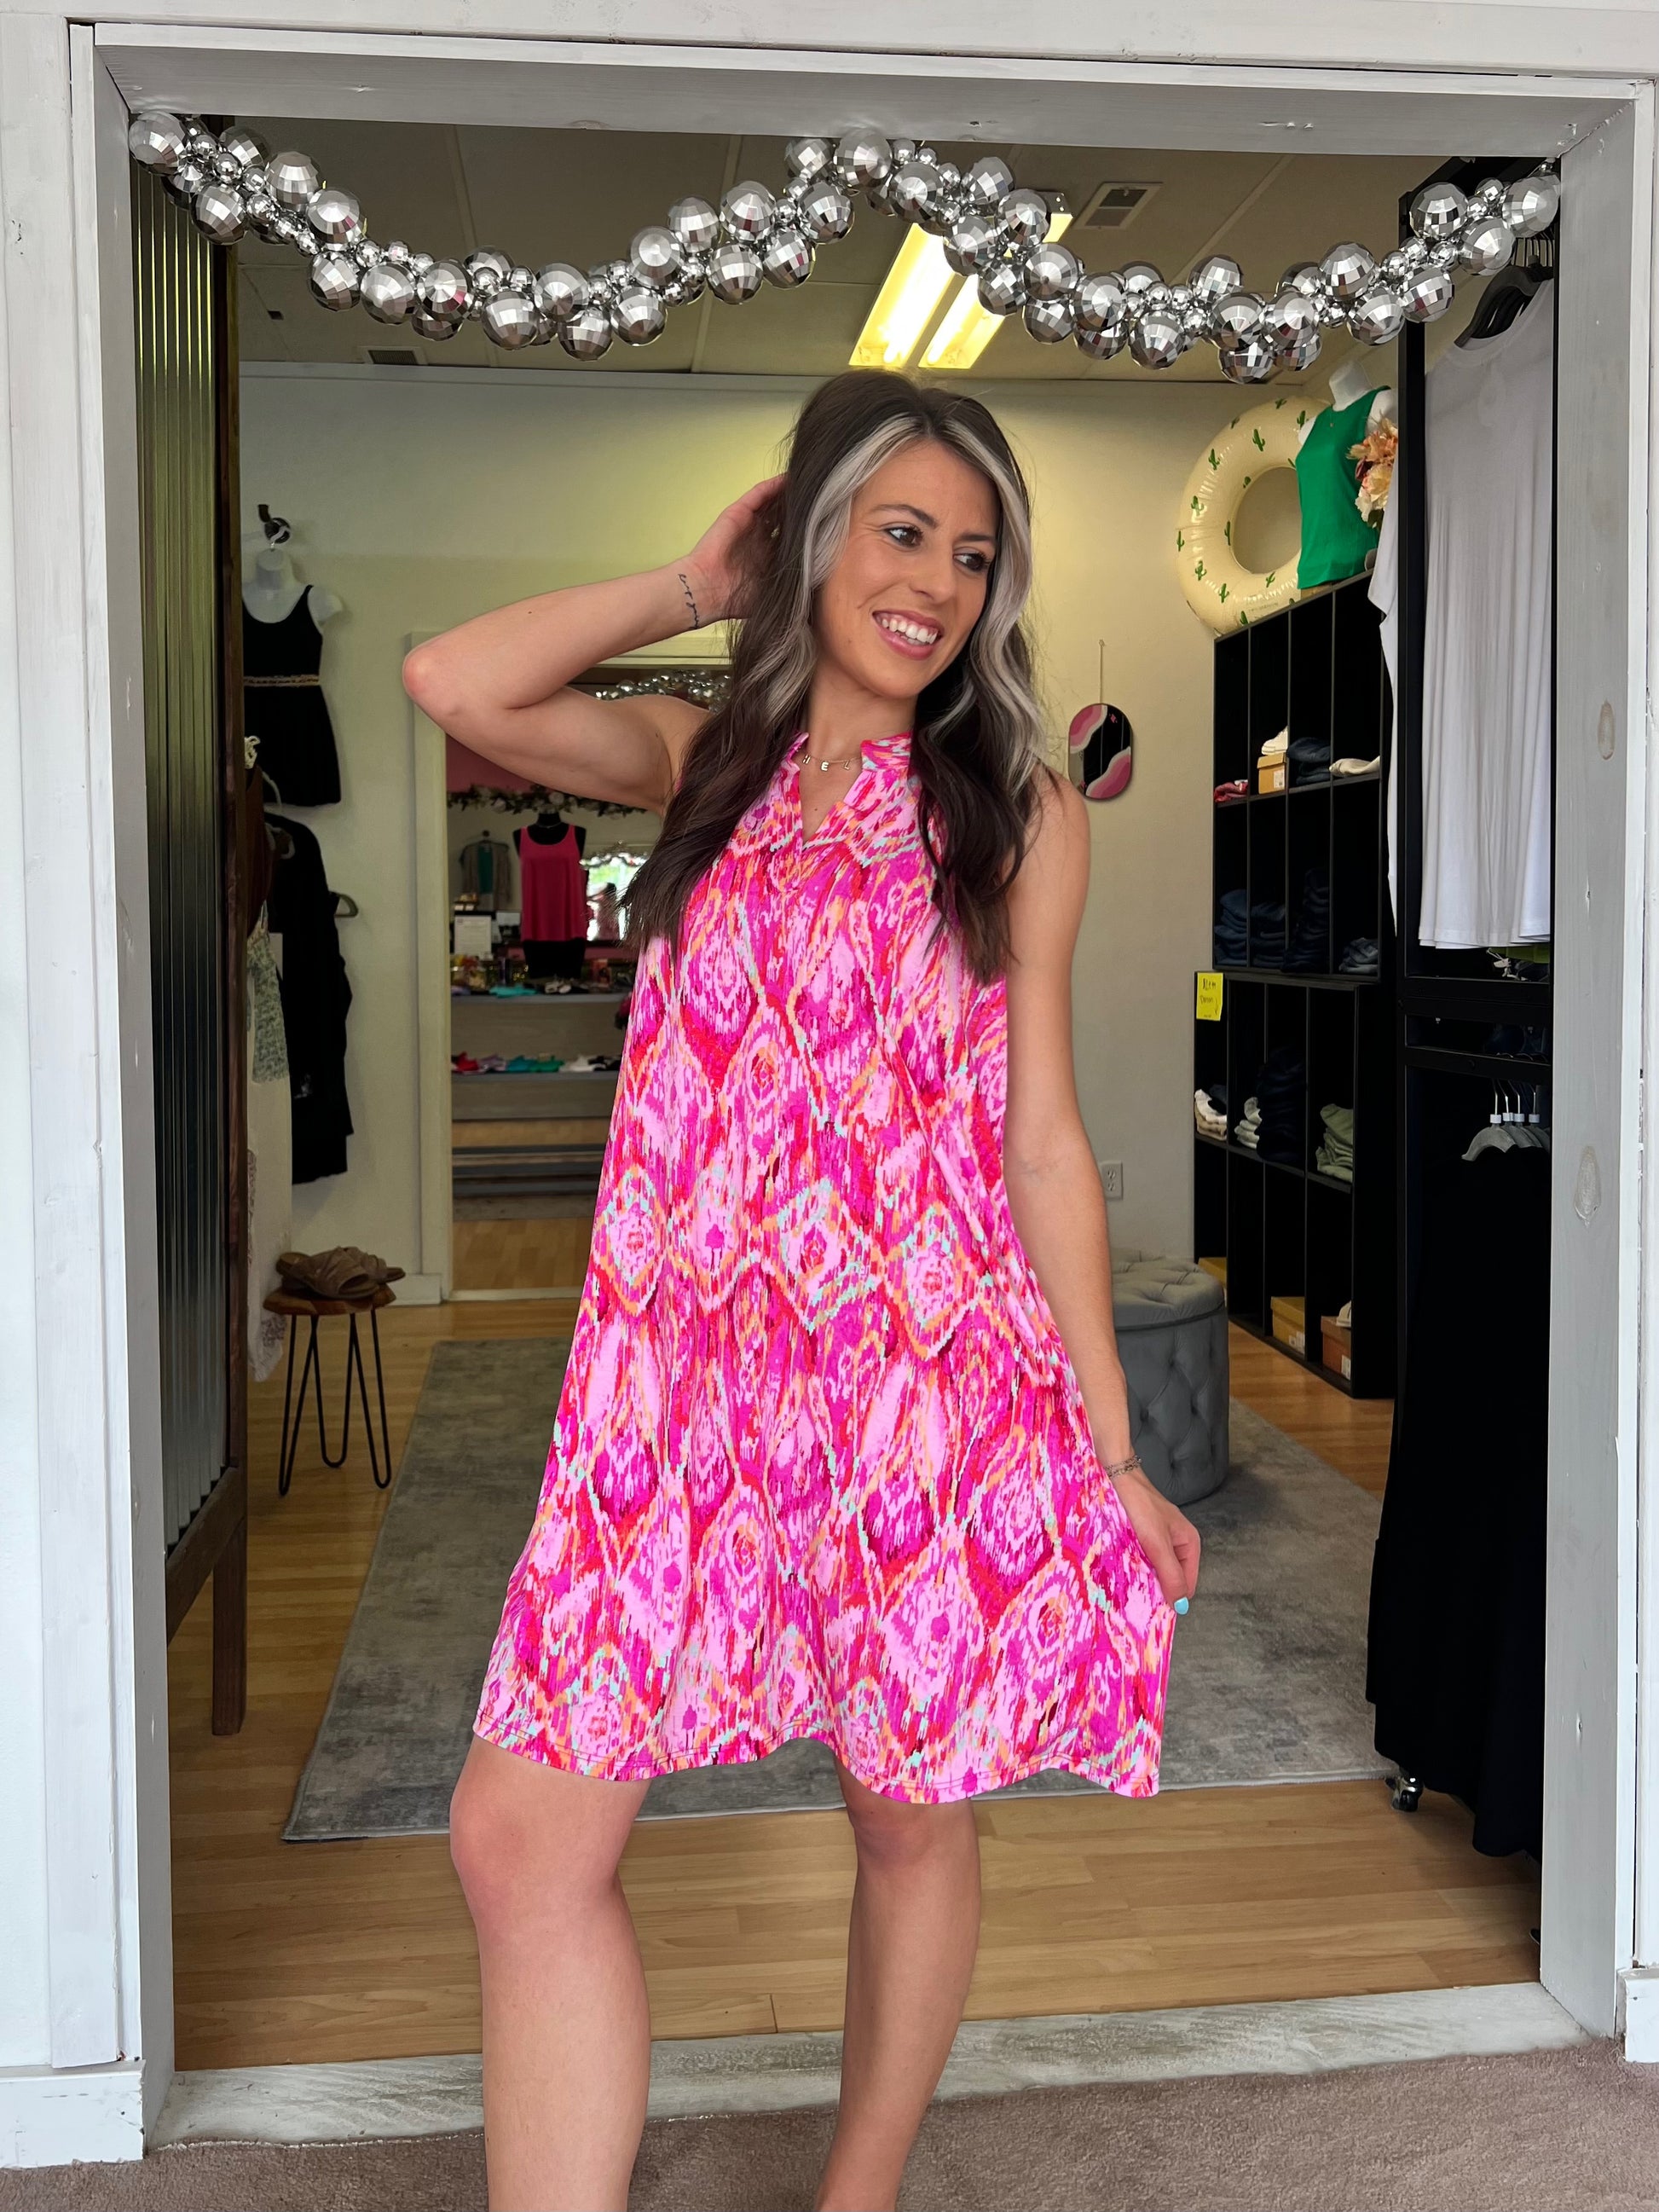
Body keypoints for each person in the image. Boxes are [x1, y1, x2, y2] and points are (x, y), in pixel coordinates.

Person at [403, 368, 1200, 2212]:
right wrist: (697, 580)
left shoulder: (1014, 813)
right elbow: (455, 682)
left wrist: (1110, 1443)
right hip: (667, 1389)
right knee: (517, 1837)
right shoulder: (706, 762)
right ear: (815, 535)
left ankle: (857, 2197)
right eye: (899, 530)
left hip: (916, 1381)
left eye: (973, 554)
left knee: (904, 1817)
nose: (935, 582)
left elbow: (1043, 1138)